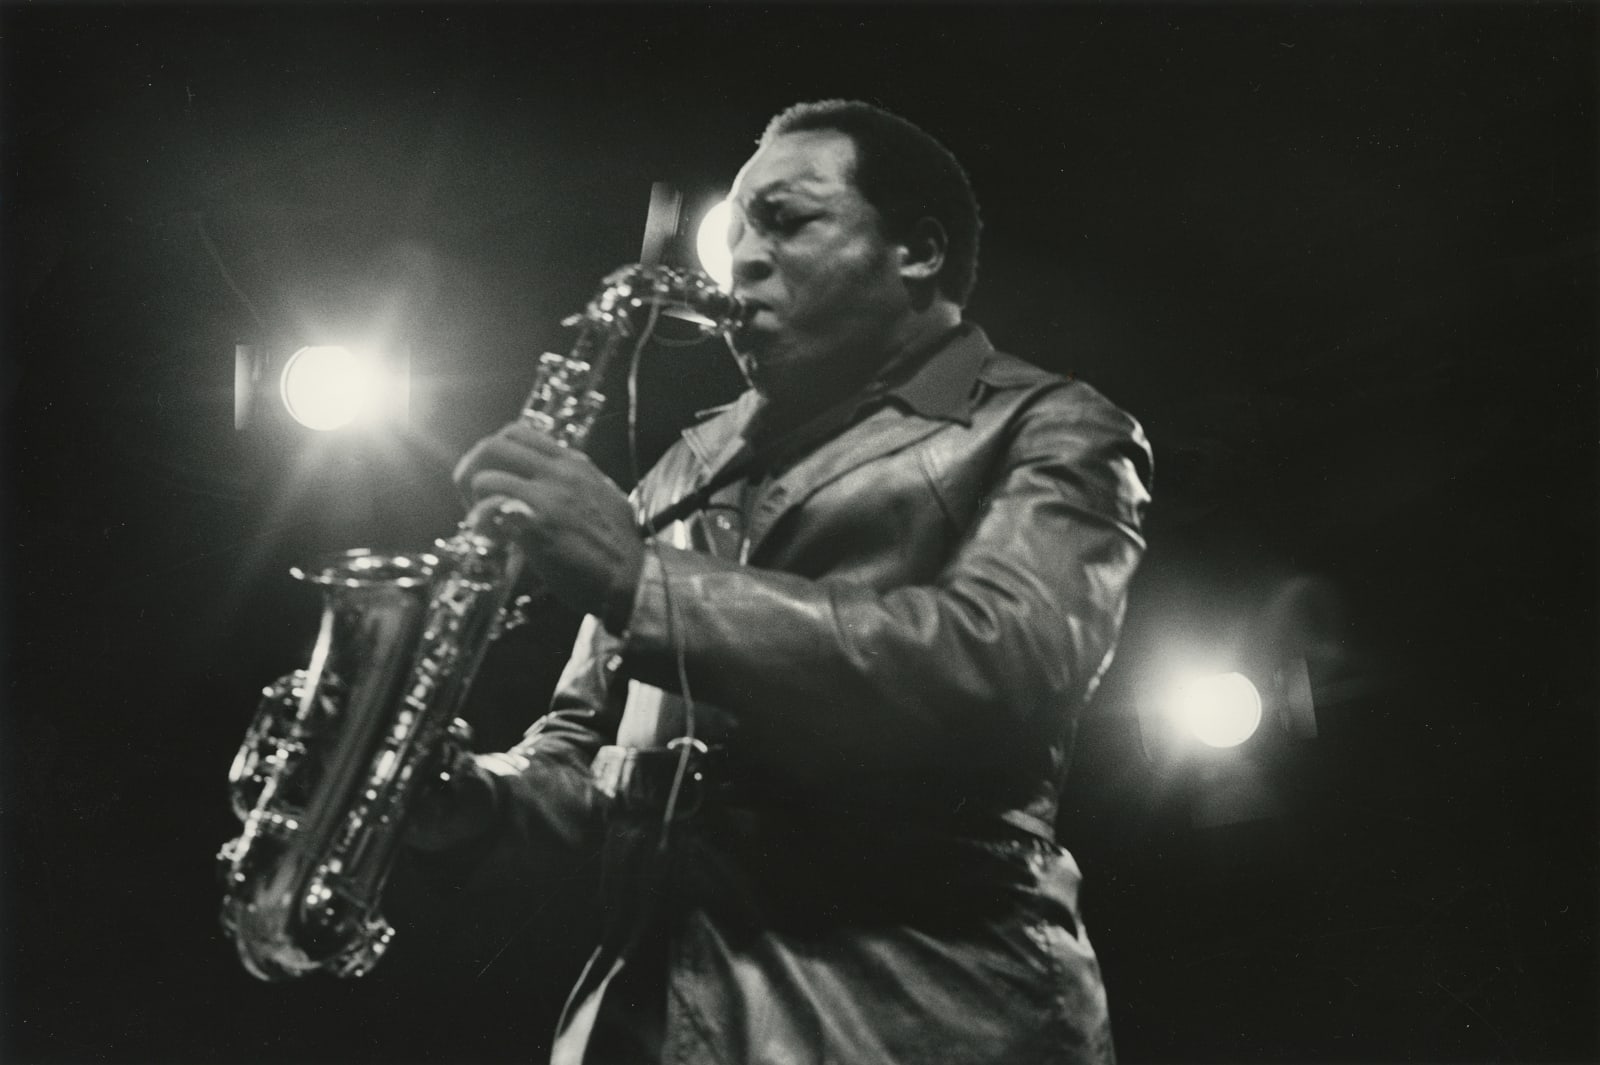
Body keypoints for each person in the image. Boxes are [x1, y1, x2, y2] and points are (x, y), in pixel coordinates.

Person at [411, 99, 1153, 1064]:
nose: (741, 260)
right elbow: (590, 762)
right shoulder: (682, 468)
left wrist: (644, 583)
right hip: (645, 1028)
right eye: (734, 233)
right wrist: (461, 794)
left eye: (787, 221)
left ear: (918, 251)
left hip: (917, 1025)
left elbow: (997, 668)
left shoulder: (1056, 427)